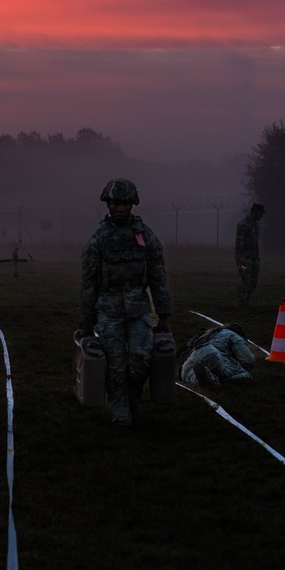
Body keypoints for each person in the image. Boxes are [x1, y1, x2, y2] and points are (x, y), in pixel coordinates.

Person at [79, 178, 172, 425]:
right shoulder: (98, 240)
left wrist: (163, 315)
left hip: (138, 309)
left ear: (132, 204)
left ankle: (132, 402)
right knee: (116, 364)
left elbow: (158, 276)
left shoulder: (145, 237)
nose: (120, 208)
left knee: (140, 361)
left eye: (124, 203)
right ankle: (121, 414)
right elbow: (88, 283)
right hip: (108, 311)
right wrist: (86, 322)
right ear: (107, 204)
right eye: (115, 203)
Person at [178, 323, 255, 386]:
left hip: (192, 356)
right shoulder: (234, 335)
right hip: (212, 353)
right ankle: (231, 380)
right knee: (244, 374)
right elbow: (247, 359)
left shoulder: (211, 333)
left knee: (190, 375)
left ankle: (210, 379)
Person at [235, 203, 265, 306]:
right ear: (255, 212)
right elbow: (240, 242)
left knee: (253, 282)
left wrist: (257, 258)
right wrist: (241, 258)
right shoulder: (244, 225)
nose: (261, 216)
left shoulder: (255, 225)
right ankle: (241, 301)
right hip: (243, 260)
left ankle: (246, 299)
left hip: (254, 258)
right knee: (245, 279)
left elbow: (255, 243)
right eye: (261, 213)